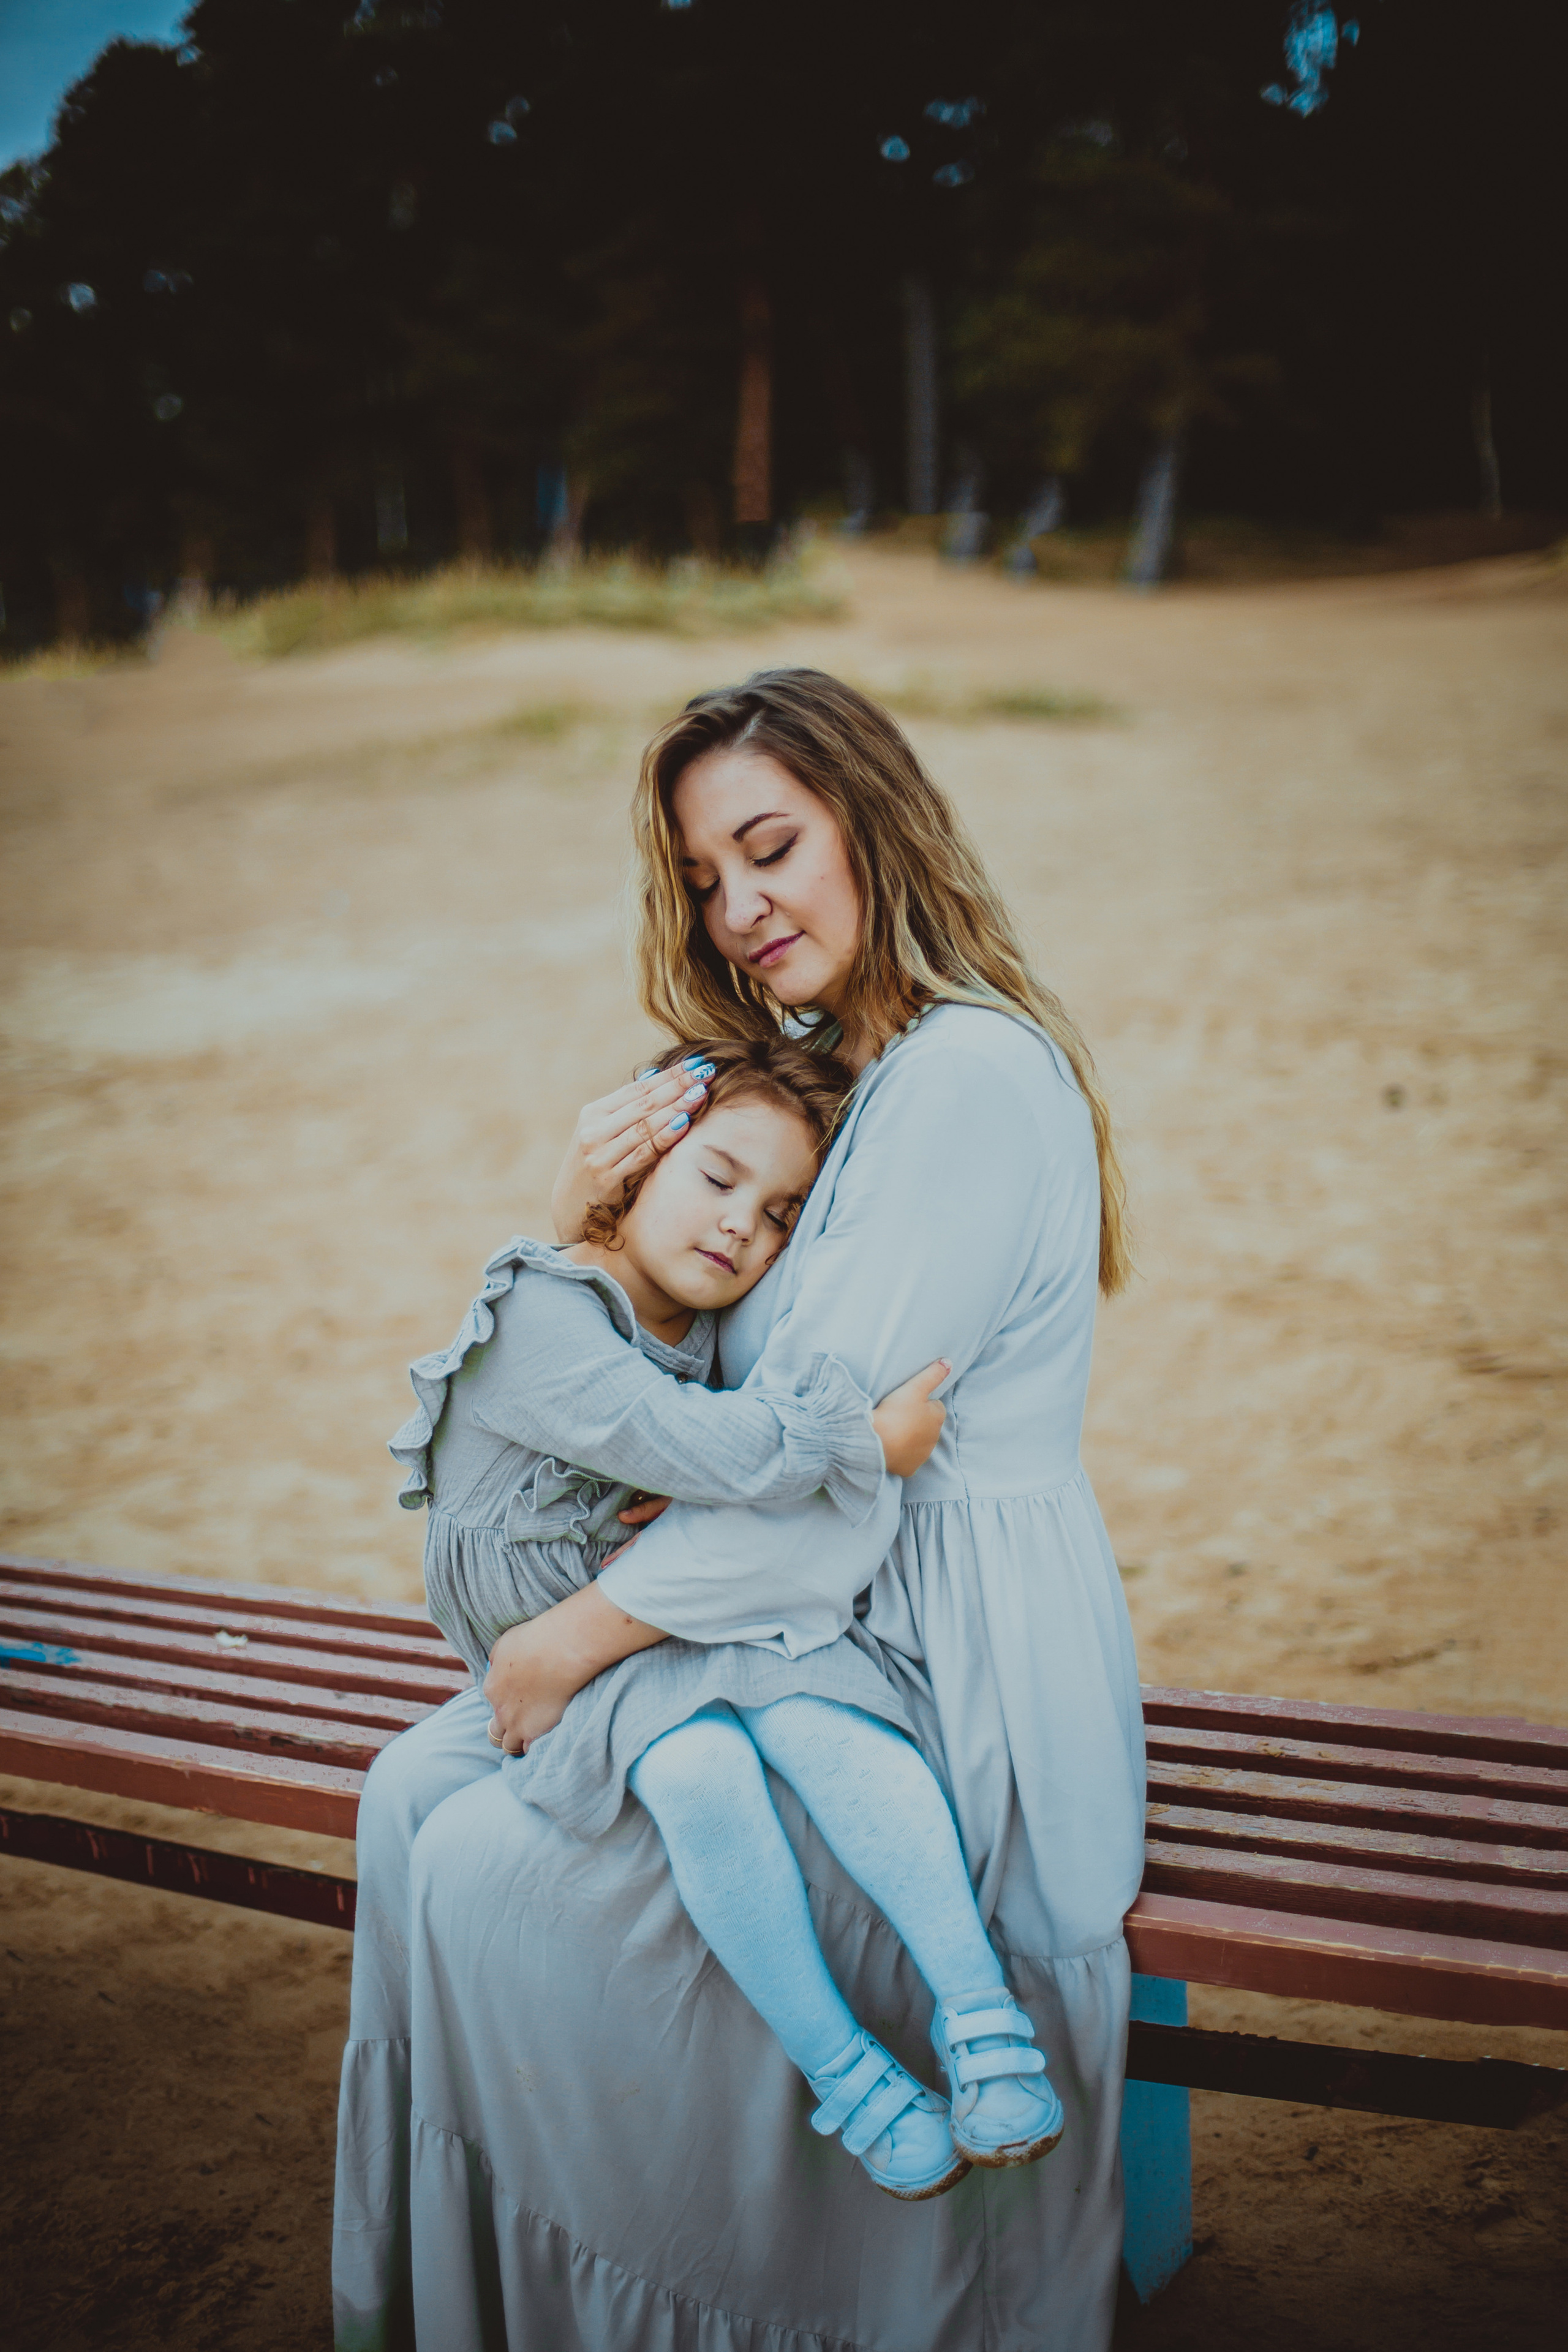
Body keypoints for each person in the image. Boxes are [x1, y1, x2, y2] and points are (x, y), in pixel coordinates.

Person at [334, 667, 1145, 2352]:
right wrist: (576, 1230)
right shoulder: (822, 1079)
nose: (738, 910)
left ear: (874, 822)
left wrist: (572, 1636)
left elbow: (832, 1478)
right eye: (705, 879)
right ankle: (441, 2292)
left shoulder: (964, 1081)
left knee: (481, 1861)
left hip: (931, 1654)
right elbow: (662, 1381)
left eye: (770, 850)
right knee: (409, 1792)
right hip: (776, 1602)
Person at [387, 1029, 1064, 2203]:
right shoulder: (544, 1314)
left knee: (822, 1714)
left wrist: (708, 1479)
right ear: (639, 1161)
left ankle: (983, 2020)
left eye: (782, 1213)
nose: (742, 1225)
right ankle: (850, 2077)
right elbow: (705, 1448)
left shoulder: (695, 1328)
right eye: (716, 1177)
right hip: (563, 1649)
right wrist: (869, 1440)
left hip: (652, 1619)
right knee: (700, 1769)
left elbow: (699, 1456)